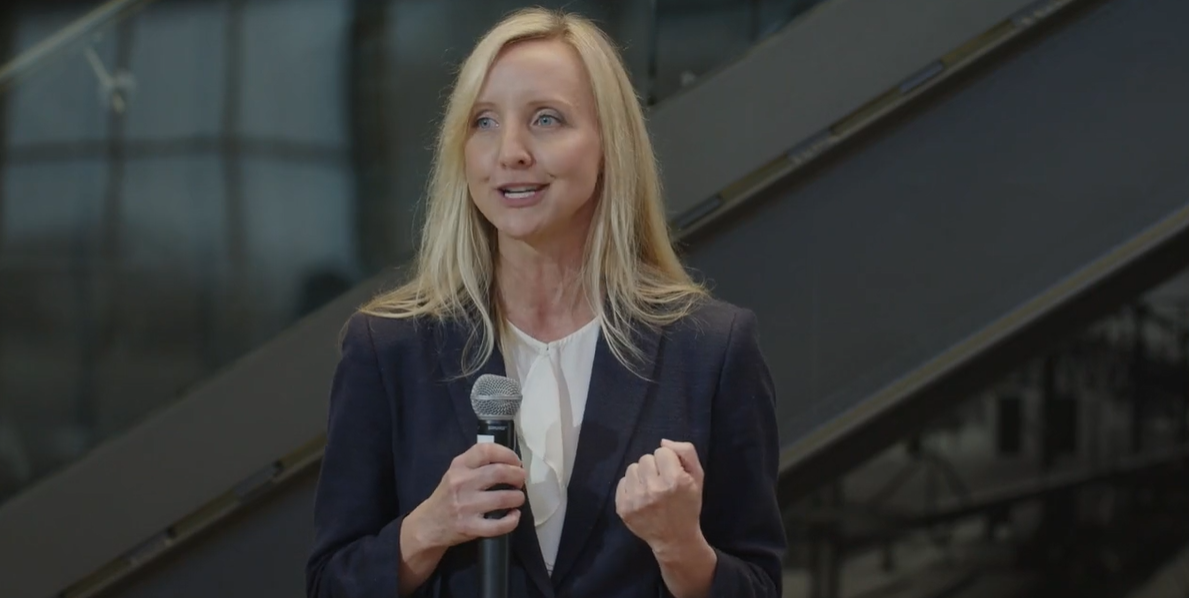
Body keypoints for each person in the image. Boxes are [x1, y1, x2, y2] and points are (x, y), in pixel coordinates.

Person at [305, 8, 784, 598]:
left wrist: (681, 547)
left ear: (610, 144)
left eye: (546, 119)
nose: (510, 151)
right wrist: (427, 529)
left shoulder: (710, 350)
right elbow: (330, 584)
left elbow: (759, 585)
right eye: (483, 122)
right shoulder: (389, 348)